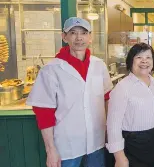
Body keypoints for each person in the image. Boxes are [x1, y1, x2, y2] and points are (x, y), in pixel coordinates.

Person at [27, 17, 113, 167]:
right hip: (66, 147)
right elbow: (43, 112)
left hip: (96, 143)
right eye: (73, 33)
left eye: (84, 33)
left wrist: (108, 133)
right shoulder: (51, 70)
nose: (79, 38)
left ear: (90, 37)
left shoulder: (99, 65)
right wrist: (50, 150)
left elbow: (107, 99)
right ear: (64, 37)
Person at [106, 43, 154, 167]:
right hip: (132, 145)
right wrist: (119, 156)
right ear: (130, 61)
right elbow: (113, 125)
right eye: (139, 57)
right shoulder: (122, 88)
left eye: (148, 57)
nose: (144, 61)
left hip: (152, 142)